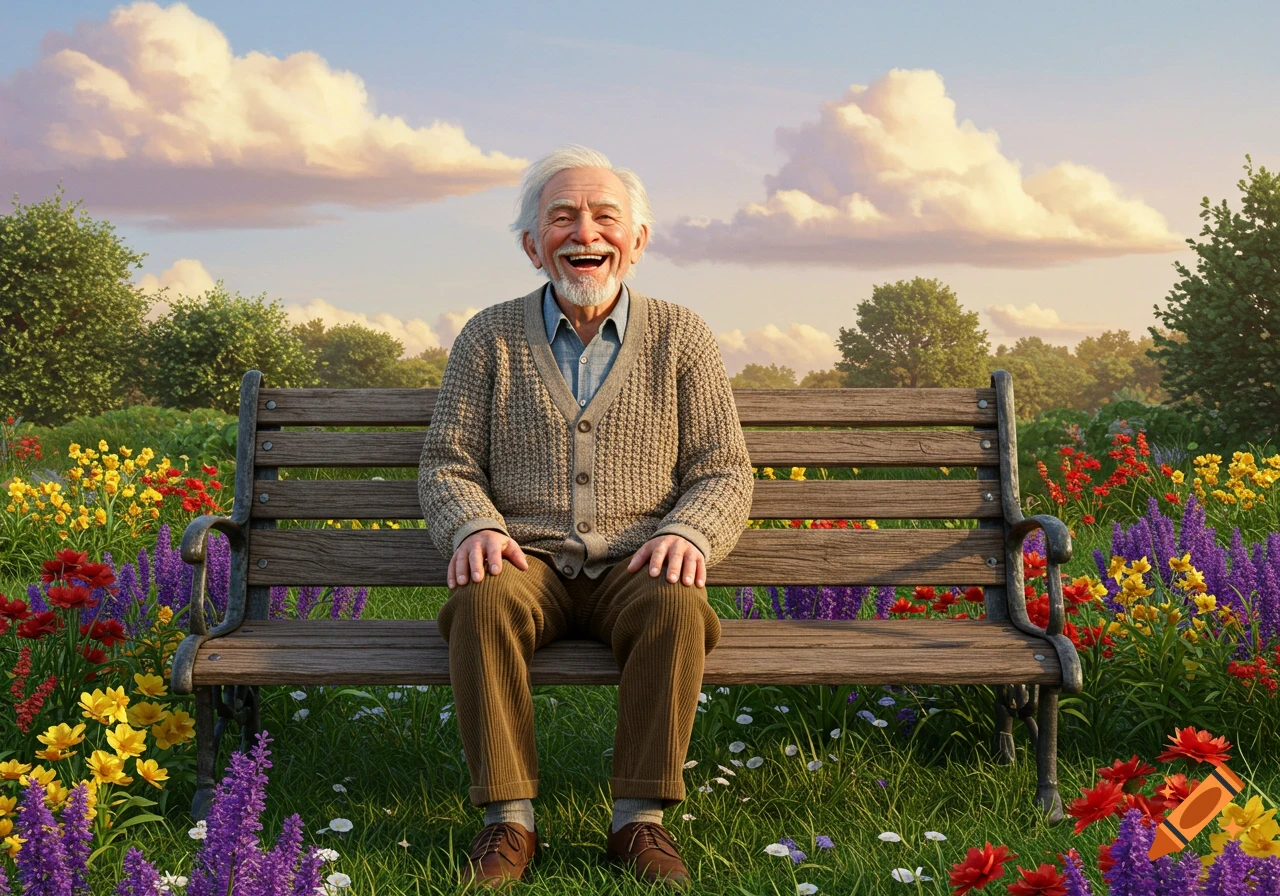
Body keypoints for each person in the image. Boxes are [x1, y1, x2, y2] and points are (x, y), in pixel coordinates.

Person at [418, 143, 754, 889]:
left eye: (606, 217)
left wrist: (686, 531)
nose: (586, 234)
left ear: (637, 241)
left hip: (638, 562)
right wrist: (474, 524)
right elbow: (448, 459)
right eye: (563, 217)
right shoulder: (489, 336)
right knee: (481, 600)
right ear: (533, 245)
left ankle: (640, 821)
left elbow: (723, 468)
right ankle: (508, 823)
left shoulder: (681, 335)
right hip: (527, 561)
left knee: (677, 603)